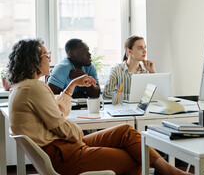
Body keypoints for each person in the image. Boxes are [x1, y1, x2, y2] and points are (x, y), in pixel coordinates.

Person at [7, 38, 193, 175]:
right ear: (34, 61)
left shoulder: (23, 87)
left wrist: (72, 85)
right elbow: (61, 126)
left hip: (63, 148)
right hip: (63, 154)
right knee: (134, 158)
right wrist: (79, 134)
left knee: (125, 132)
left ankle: (170, 171)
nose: (49, 58)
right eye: (46, 55)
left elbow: (59, 111)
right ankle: (172, 172)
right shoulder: (33, 88)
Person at [103, 35, 156, 100]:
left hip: (141, 109)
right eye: (140, 48)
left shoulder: (146, 70)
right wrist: (134, 97)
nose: (145, 51)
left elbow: (155, 95)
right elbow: (107, 94)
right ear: (129, 51)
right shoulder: (117, 70)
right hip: (121, 109)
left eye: (145, 47)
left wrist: (153, 73)